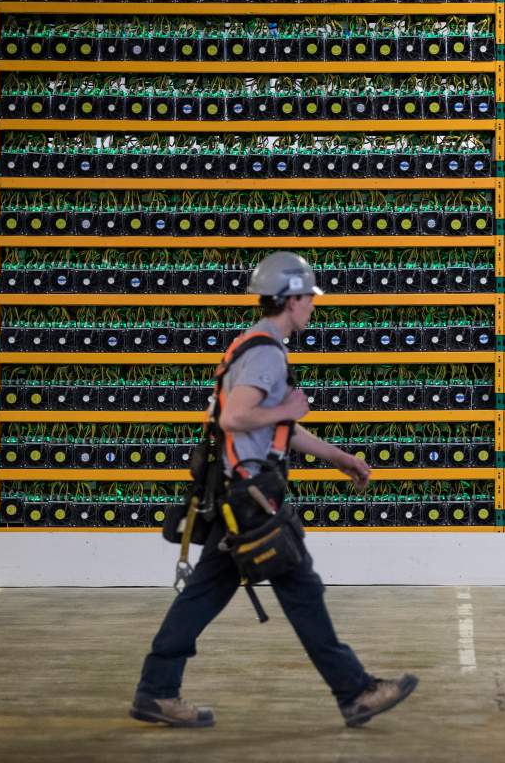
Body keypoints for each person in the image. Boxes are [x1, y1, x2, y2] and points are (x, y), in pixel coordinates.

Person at [130, 251, 418, 728]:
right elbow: (236, 417)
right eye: (308, 298)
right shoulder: (265, 352)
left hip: (235, 495)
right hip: (252, 500)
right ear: (290, 299)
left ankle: (155, 691)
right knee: (302, 590)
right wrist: (289, 410)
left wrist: (339, 458)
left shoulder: (253, 345)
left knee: (203, 595)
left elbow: (271, 429)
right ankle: (356, 692)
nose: (312, 307)